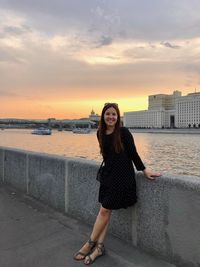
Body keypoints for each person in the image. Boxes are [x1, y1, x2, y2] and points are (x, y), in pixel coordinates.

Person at [73, 103, 161, 265]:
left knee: (105, 209)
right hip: (108, 176)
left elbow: (133, 154)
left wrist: (144, 170)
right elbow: (107, 156)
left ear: (118, 117)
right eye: (108, 114)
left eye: (114, 114)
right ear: (103, 116)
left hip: (122, 177)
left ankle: (89, 244)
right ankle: (99, 248)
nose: (111, 117)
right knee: (105, 210)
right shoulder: (100, 133)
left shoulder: (124, 132)